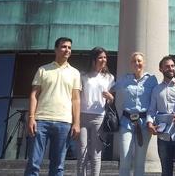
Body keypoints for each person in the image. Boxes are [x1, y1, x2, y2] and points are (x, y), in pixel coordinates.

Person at [25, 37, 81, 176]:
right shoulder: (43, 70)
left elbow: (76, 99)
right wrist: (31, 118)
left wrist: (77, 123)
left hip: (64, 123)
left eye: (69, 47)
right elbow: (34, 95)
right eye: (63, 47)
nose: (67, 50)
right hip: (41, 120)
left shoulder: (75, 73)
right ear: (56, 49)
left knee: (58, 166)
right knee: (33, 163)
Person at [146, 56, 175, 176]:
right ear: (161, 69)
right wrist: (149, 123)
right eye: (167, 66)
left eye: (172, 66)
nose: (170, 68)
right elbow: (151, 111)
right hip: (163, 137)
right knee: (166, 172)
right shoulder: (156, 90)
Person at [113, 52, 158, 176]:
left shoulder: (152, 79)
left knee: (139, 162)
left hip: (144, 124)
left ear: (144, 63)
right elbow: (110, 87)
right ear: (130, 64)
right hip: (126, 122)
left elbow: (158, 96)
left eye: (139, 61)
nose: (137, 63)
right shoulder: (125, 79)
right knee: (125, 159)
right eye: (134, 61)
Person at [76, 47, 115, 176]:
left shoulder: (109, 77)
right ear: (93, 59)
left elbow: (111, 101)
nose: (103, 60)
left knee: (96, 152)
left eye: (105, 57)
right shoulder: (83, 75)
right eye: (100, 57)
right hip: (83, 116)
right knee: (82, 151)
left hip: (99, 116)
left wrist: (110, 98)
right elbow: (76, 97)